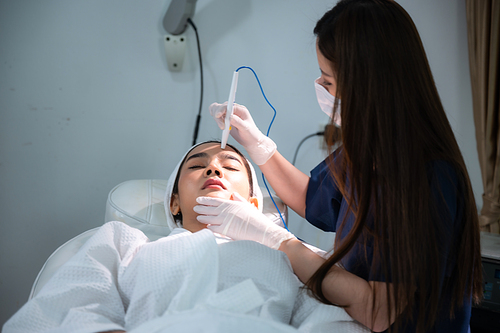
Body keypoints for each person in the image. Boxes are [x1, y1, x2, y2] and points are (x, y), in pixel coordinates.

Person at [198, 1, 483, 332]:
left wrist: (278, 240)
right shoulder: (367, 153)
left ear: (368, 86)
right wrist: (257, 145)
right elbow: (313, 199)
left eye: (328, 81)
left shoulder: (430, 179)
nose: (320, 87)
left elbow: (378, 311)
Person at [2, 141, 368, 333]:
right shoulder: (123, 243)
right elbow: (65, 306)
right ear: (174, 202)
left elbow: (336, 321)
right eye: (197, 165)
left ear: (255, 204)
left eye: (230, 165)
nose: (212, 167)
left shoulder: (295, 262)